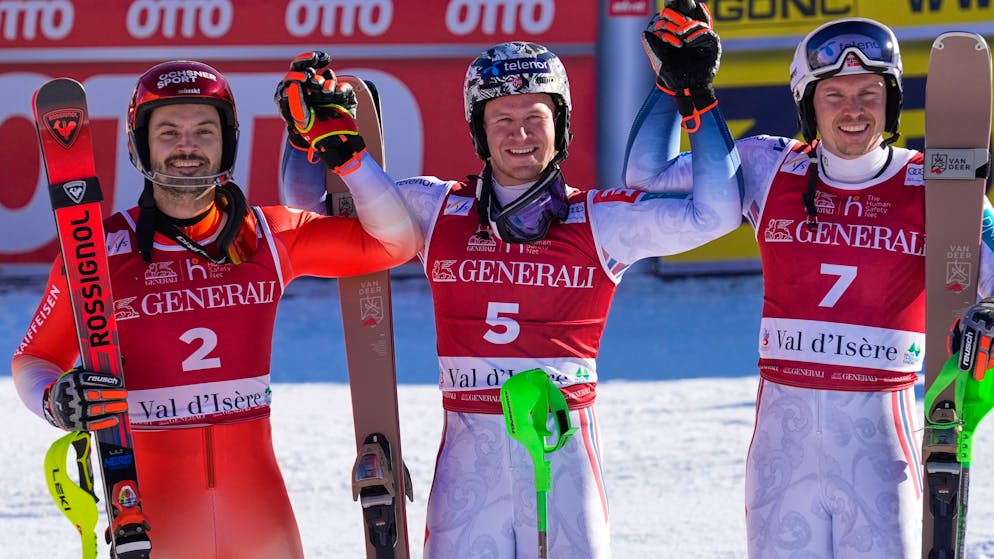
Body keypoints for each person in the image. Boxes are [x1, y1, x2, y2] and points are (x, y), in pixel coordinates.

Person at [280, 13, 741, 558]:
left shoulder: (600, 220)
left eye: (535, 116)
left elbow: (716, 215)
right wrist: (306, 137)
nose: (519, 134)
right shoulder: (435, 208)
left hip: (563, 462)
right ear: (478, 130)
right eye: (501, 118)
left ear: (561, 125)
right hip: (468, 470)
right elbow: (312, 213)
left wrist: (688, 94)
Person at [12, 59, 421, 558]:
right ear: (140, 144)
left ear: (227, 142)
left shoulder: (269, 236)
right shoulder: (97, 252)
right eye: (168, 132)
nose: (187, 145)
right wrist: (55, 400)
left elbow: (396, 243)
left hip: (258, 514)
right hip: (155, 518)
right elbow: (33, 359)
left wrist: (348, 157)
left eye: (204, 131)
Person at [625, 15, 994, 558]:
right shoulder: (767, 165)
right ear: (808, 104)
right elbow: (648, 178)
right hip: (782, 451)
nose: (853, 110)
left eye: (869, 94)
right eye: (834, 95)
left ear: (891, 102)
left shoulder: (936, 184)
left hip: (880, 450)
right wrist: (673, 87)